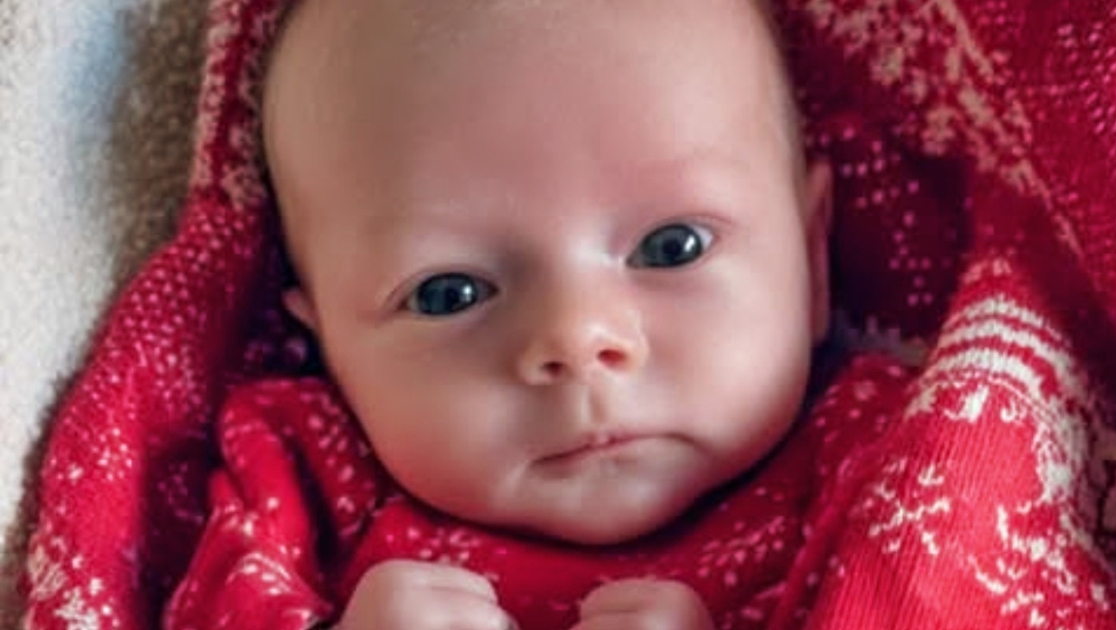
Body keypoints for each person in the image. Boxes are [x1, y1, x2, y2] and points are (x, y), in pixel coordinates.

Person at [165, 0, 911, 628]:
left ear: (811, 261)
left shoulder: (887, 460)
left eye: (672, 247)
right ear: (326, 342)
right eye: (449, 293)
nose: (577, 337)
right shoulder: (301, 486)